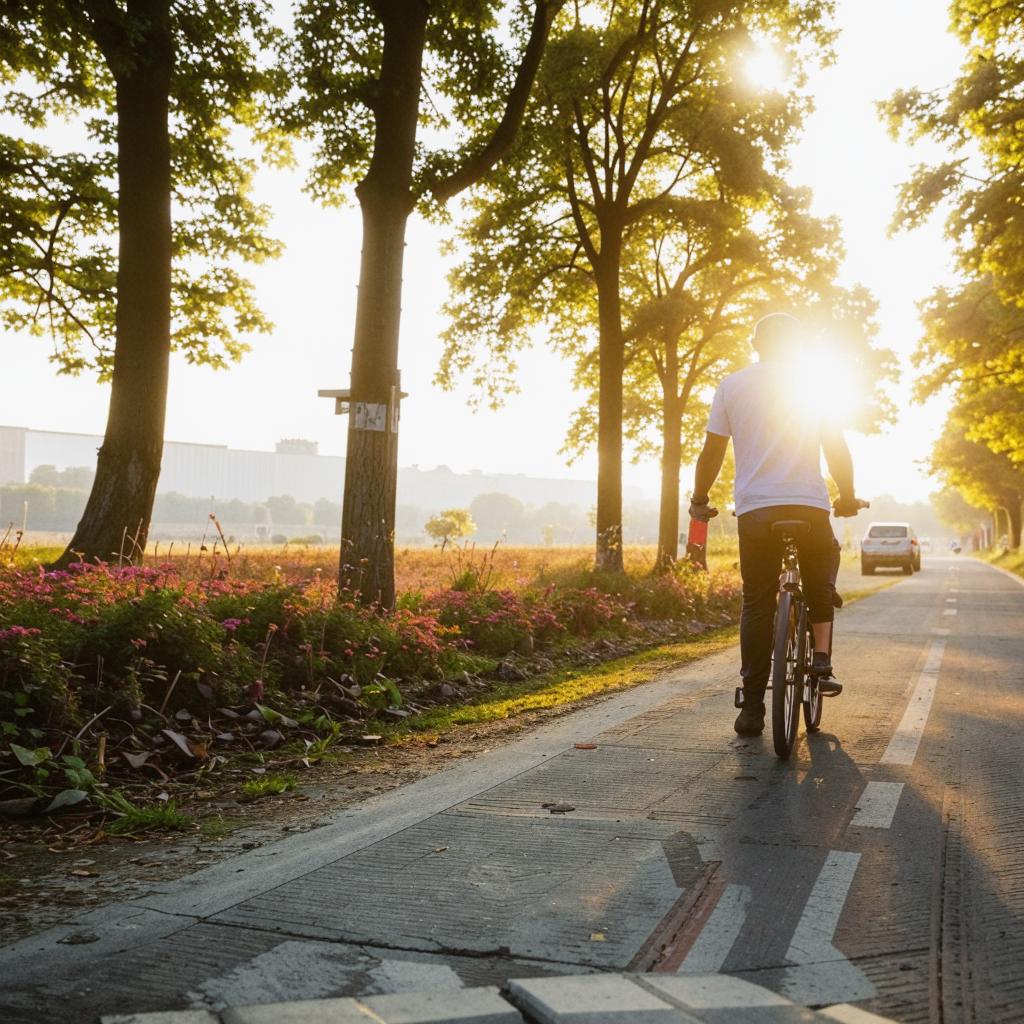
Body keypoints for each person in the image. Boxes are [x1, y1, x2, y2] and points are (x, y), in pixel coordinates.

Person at [688, 313, 865, 737]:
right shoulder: (814, 384)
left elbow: (712, 451)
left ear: (756, 345)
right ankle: (820, 659)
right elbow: (836, 447)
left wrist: (699, 500)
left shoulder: (731, 385)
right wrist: (846, 495)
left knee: (757, 600)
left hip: (756, 510)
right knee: (822, 569)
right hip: (809, 505)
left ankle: (752, 708)